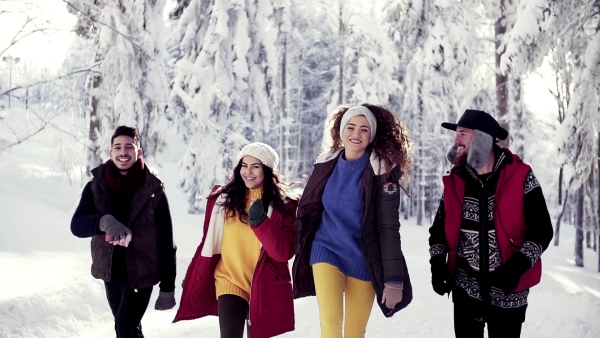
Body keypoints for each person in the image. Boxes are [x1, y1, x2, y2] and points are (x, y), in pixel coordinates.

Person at [428, 109, 554, 338]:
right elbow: (438, 231)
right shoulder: (455, 181)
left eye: (463, 134)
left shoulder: (521, 176)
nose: (456, 140)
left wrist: (516, 267)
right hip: (465, 290)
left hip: (509, 291)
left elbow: (542, 231)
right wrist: (437, 265)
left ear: (482, 138)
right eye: (457, 134)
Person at [292, 104, 413, 338]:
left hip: (363, 258)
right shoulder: (326, 163)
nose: (356, 134)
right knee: (331, 327)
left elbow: (388, 228)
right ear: (340, 131)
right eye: (351, 127)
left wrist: (394, 280)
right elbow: (310, 206)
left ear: (372, 135)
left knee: (354, 333)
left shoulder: (383, 173)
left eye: (364, 129)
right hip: (325, 250)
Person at [173, 142, 298, 338]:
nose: (248, 171)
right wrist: (196, 273)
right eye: (244, 165)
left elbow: (283, 253)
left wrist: (261, 223)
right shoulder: (223, 200)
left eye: (255, 166)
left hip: (264, 284)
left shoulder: (285, 207)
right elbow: (208, 242)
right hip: (229, 280)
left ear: (267, 170)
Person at [71, 125, 177, 338]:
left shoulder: (154, 190)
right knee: (129, 329)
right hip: (112, 274)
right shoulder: (95, 187)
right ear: (110, 153)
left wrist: (168, 287)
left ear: (139, 151)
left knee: (124, 327)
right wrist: (103, 221)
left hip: (142, 275)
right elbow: (77, 226)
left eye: (129, 146)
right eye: (117, 147)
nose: (123, 152)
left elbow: (166, 241)